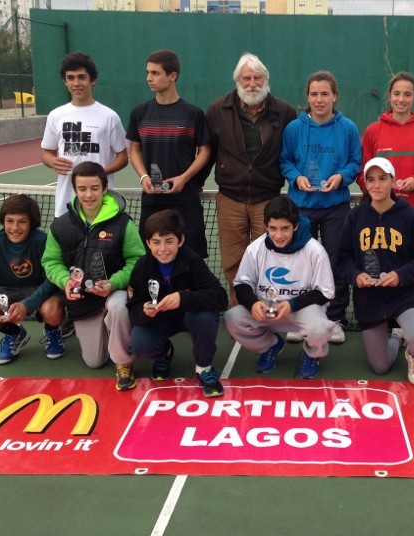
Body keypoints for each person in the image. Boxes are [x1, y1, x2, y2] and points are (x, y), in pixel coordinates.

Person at [42, 161, 145, 389]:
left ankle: (123, 362)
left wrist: (114, 282)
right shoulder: (60, 226)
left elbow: (138, 260)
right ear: (75, 190)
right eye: (82, 189)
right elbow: (51, 261)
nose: (89, 195)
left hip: (114, 292)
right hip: (84, 300)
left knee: (118, 306)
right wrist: (65, 280)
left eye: (94, 188)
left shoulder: (122, 223)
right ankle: (109, 331)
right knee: (94, 361)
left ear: (105, 188)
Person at [206, 53, 297, 306]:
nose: (252, 83)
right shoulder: (217, 110)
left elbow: (292, 151)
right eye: (246, 78)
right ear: (237, 81)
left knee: (268, 258)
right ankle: (241, 309)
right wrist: (198, 180)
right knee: (233, 260)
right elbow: (209, 150)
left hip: (267, 199)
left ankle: (268, 307)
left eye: (258, 77)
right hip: (230, 198)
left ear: (266, 80)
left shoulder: (285, 111)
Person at [360, 71, 414, 337]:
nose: (401, 99)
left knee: (413, 270)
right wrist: (382, 194)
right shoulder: (374, 131)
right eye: (396, 94)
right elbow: (363, 175)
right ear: (389, 96)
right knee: (377, 266)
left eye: (407, 94)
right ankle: (381, 321)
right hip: (379, 216)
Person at [279, 70, 361, 344]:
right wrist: (296, 177)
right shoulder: (294, 129)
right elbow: (285, 161)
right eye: (314, 94)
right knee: (300, 266)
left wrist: (341, 177)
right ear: (307, 97)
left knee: (334, 262)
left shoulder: (348, 128)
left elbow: (354, 162)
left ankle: (335, 319)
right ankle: (299, 317)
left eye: (325, 93)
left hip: (335, 207)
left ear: (334, 96)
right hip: (300, 208)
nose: (319, 99)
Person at [336, 158, 414, 385]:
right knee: (380, 367)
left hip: (404, 294)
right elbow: (343, 259)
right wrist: (355, 276)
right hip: (369, 298)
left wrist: (400, 275)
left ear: (393, 181)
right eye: (371, 180)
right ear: (365, 184)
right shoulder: (355, 217)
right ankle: (397, 340)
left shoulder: (410, 216)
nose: (377, 185)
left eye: (382, 179)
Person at [223, 195, 335, 379]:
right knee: (231, 319)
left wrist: (292, 304)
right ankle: (271, 345)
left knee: (320, 328)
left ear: (295, 226)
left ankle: (311, 354)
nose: (278, 235)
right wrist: (253, 304)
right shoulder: (256, 248)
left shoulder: (314, 250)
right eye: (273, 228)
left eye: (285, 228)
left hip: (301, 309)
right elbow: (242, 284)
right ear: (266, 226)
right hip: (267, 308)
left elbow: (325, 293)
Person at [127, 209, 228, 397]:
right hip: (160, 319)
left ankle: (204, 368)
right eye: (156, 242)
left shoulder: (192, 260)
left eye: (169, 241)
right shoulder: (142, 267)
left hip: (190, 315)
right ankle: (163, 354)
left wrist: (183, 298)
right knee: (139, 344)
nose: (163, 249)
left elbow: (220, 297)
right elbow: (132, 308)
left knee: (205, 317)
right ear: (148, 243)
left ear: (180, 240)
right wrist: (143, 312)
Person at [127, 49, 211, 258]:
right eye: (148, 72)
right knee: (153, 257)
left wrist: (184, 178)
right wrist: (144, 176)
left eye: (155, 73)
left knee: (191, 256)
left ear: (172, 76)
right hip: (152, 200)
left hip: (186, 199)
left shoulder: (193, 114)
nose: (149, 78)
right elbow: (134, 149)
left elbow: (205, 151)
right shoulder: (140, 112)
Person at [0, 194, 65, 365]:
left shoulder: (43, 241)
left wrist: (27, 305)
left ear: (31, 223)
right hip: (8, 290)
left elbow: (52, 279)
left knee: (52, 312)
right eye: (10, 221)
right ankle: (14, 333)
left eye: (22, 221)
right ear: (3, 221)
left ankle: (53, 331)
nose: (15, 227)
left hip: (40, 289)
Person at [40, 52, 129, 218]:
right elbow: (46, 153)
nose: (76, 83)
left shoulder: (109, 116)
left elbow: (123, 157)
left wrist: (101, 172)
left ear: (92, 80)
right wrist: (52, 161)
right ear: (65, 81)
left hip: (101, 205)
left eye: (81, 77)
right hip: (65, 205)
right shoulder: (55, 115)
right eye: (71, 78)